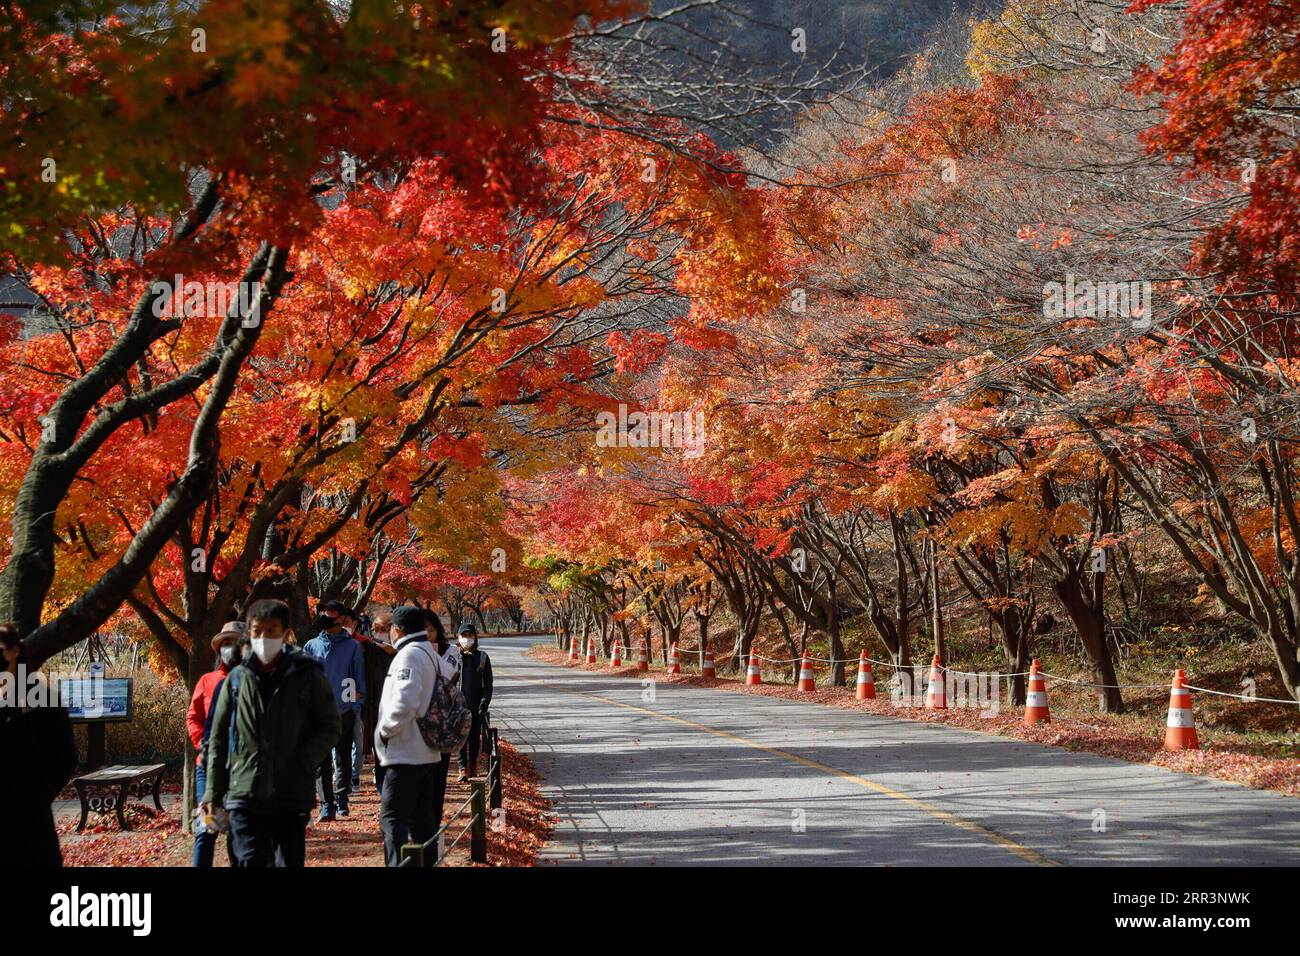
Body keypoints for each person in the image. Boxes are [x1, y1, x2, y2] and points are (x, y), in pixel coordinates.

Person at [202, 599, 339, 867]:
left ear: (286, 633)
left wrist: (303, 760)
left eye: (271, 630)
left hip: (290, 793)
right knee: (249, 860)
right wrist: (211, 794)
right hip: (243, 791)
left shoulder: (308, 675)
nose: (263, 638)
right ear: (248, 634)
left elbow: (331, 726)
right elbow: (216, 740)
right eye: (257, 631)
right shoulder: (237, 679)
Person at [374, 605, 456, 867]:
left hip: (405, 751)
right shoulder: (430, 654)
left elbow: (405, 701)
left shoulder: (408, 655)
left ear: (397, 630)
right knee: (423, 822)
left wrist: (385, 730)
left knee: (393, 819)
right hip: (427, 751)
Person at [0, 625, 77, 867]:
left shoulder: (42, 698)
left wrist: (34, 797)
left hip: (29, 821)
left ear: (14, 652)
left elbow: (64, 756)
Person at [185, 620, 246, 866]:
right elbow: (193, 717)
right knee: (206, 829)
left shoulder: (255, 682)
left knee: (238, 833)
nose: (230, 648)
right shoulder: (207, 681)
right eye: (226, 643)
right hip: (208, 769)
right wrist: (204, 744)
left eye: (236, 643)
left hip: (242, 770)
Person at [303, 601, 365, 821]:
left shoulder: (352, 646)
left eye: (332, 615)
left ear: (341, 619)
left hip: (344, 710)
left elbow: (358, 678)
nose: (326, 618)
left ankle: (342, 798)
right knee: (321, 760)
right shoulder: (311, 646)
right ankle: (326, 804)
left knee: (343, 757)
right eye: (324, 614)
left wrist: (356, 706)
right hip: (317, 712)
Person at [427, 612, 458, 831]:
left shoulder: (452, 652)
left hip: (442, 723)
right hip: (417, 726)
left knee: (438, 778)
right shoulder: (409, 654)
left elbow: (447, 673)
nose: (427, 635)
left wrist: (427, 654)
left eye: (430, 630)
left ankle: (435, 822)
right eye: (421, 631)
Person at [454, 622, 493, 781]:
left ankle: (473, 765)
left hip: (476, 705)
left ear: (475, 638)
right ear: (458, 638)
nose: (467, 639)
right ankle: (462, 768)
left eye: (470, 635)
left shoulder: (482, 657)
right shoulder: (454, 656)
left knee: (474, 737)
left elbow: (488, 683)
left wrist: (485, 701)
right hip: (457, 705)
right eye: (463, 636)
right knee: (459, 738)